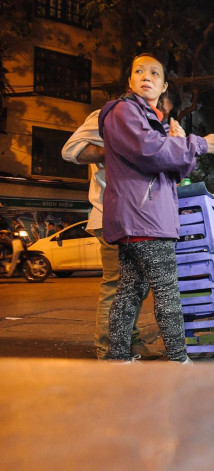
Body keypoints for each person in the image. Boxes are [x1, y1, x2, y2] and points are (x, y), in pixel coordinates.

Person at [98, 53, 214, 363]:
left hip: (140, 218)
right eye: (139, 71)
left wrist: (179, 144)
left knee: (130, 290)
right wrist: (197, 144)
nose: (146, 76)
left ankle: (117, 359)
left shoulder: (151, 120)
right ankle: (179, 360)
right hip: (144, 218)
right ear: (129, 81)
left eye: (155, 73)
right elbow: (150, 151)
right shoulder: (124, 111)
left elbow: (172, 173)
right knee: (167, 291)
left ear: (164, 85)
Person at [61, 85, 184, 360]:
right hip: (111, 215)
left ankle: (130, 342)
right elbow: (70, 150)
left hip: (139, 219)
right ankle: (109, 352)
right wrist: (117, 150)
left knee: (134, 286)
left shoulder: (146, 125)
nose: (159, 113)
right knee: (117, 285)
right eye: (160, 107)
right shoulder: (108, 117)